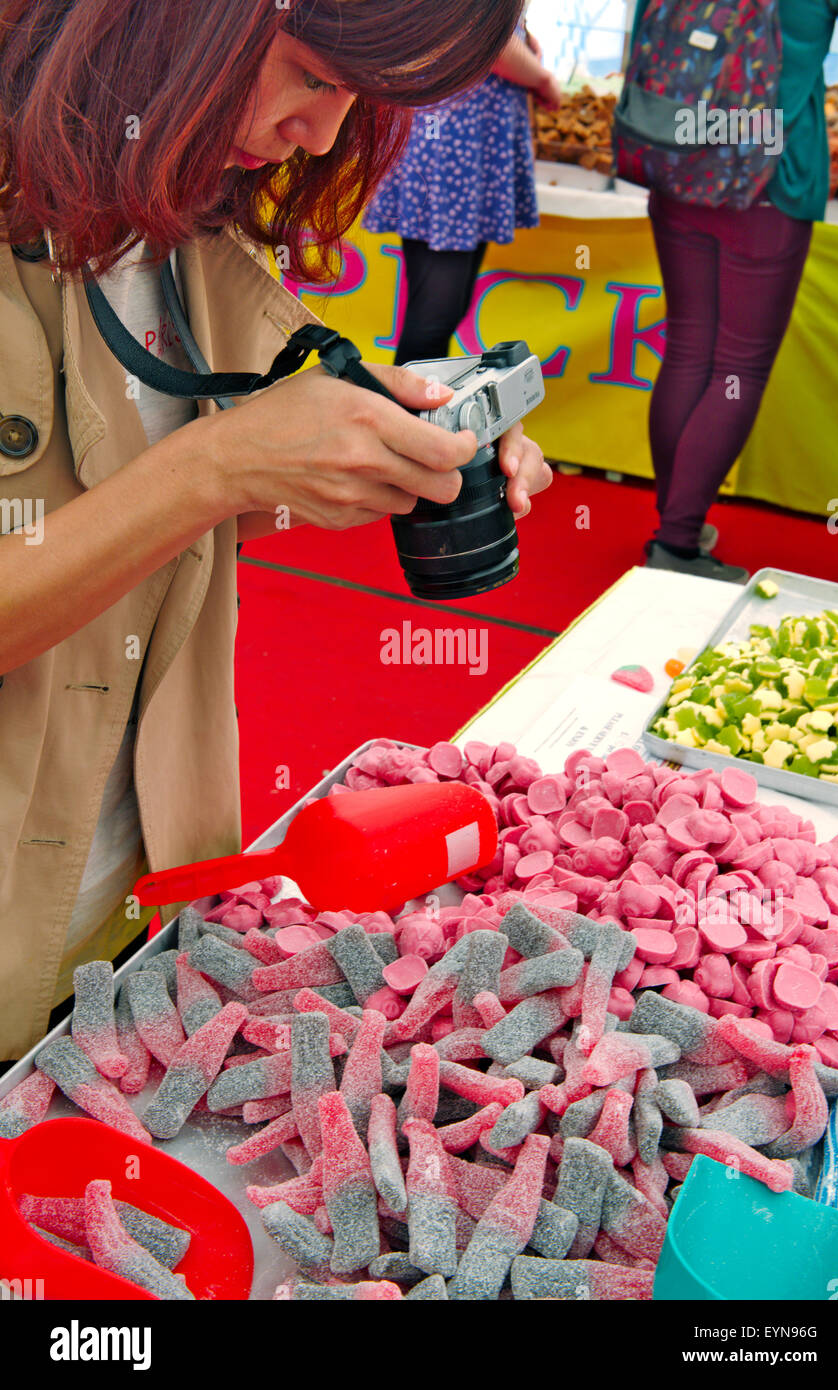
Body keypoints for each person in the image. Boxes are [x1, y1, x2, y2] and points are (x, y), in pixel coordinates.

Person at [0, 0, 553, 1062]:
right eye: (310, 74)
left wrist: (381, 449)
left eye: (359, 98)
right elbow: (183, 481)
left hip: (144, 902)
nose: (325, 134)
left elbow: (159, 508)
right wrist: (221, 464)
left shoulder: (177, 210)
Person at [636, 0, 838, 583]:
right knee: (737, 365)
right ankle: (678, 541)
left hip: (678, 153)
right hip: (770, 174)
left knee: (688, 348)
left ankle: (677, 522)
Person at [363, 10, 561, 369]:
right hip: (452, 148)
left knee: (443, 309)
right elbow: (484, 37)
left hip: (463, 149)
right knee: (434, 315)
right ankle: (403, 420)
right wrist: (542, 78)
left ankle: (414, 417)